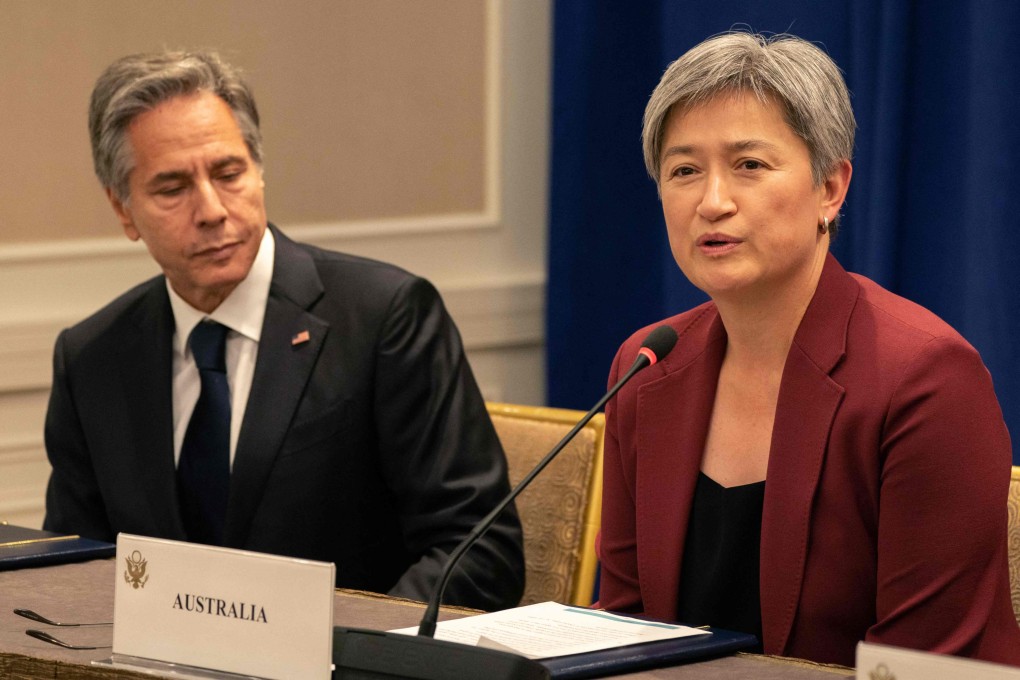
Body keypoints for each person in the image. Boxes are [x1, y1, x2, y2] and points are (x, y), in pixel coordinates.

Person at [42, 50, 524, 612]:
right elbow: (74, 570)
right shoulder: (92, 358)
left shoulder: (384, 317)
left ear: (259, 170)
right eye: (172, 188)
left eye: (229, 174)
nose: (212, 210)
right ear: (123, 209)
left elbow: (479, 549)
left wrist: (345, 648)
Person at [596, 32, 1020, 666]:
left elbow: (925, 665)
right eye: (684, 171)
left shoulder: (926, 379)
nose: (712, 202)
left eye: (750, 165)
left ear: (830, 188)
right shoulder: (649, 365)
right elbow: (624, 629)